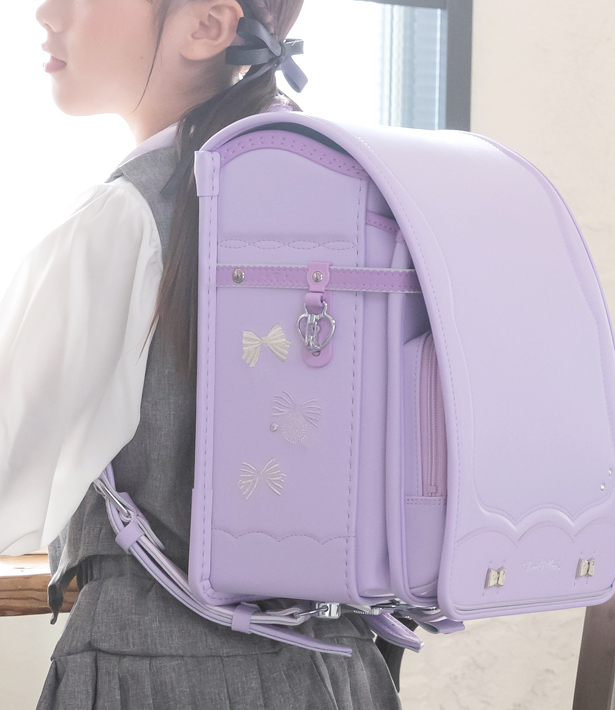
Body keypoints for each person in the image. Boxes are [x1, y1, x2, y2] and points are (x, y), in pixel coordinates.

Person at [0, 0, 402, 707]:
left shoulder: (124, 218)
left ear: (208, 26)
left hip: (153, 676)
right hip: (341, 675)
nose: (46, 11)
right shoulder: (358, 201)